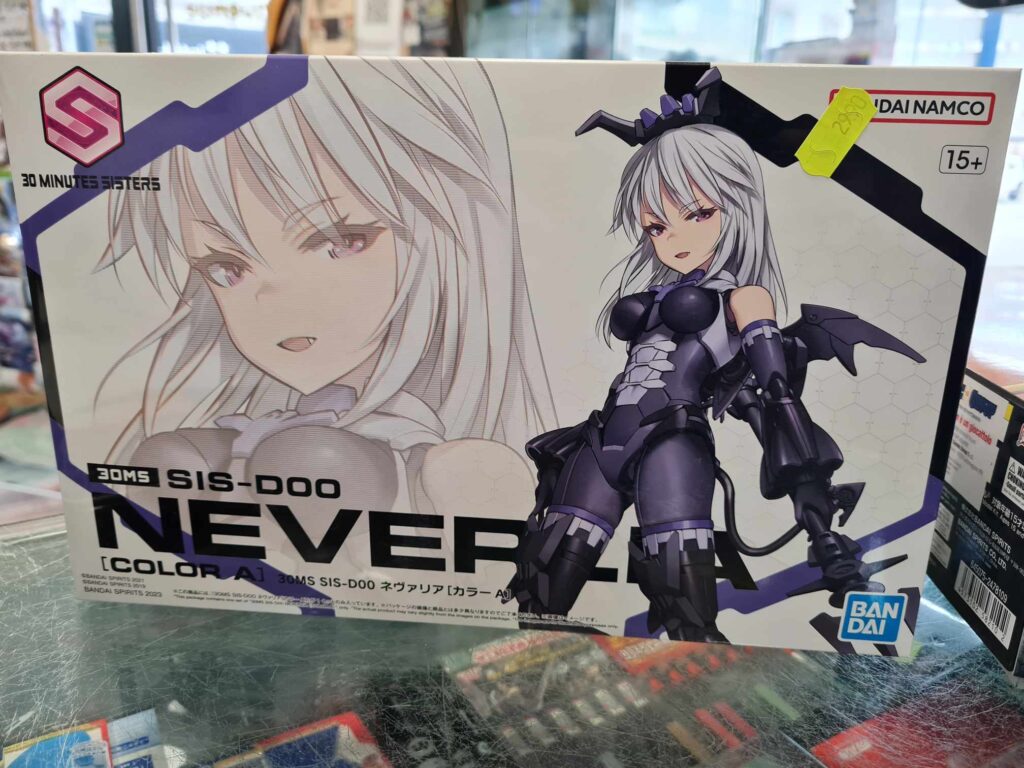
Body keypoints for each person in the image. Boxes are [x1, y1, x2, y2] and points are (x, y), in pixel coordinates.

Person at [508, 71, 922, 642]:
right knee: (544, 578)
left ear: (737, 206)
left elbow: (774, 397)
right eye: (656, 225)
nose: (673, 237)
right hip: (602, 440)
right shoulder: (657, 290)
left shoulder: (744, 297)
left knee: (682, 595)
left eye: (699, 214)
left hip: (672, 442)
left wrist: (812, 503)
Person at [97, 57, 555, 519]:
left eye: (340, 243)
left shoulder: (461, 463)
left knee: (320, 464)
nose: (273, 302)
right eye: (226, 269)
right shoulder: (244, 427)